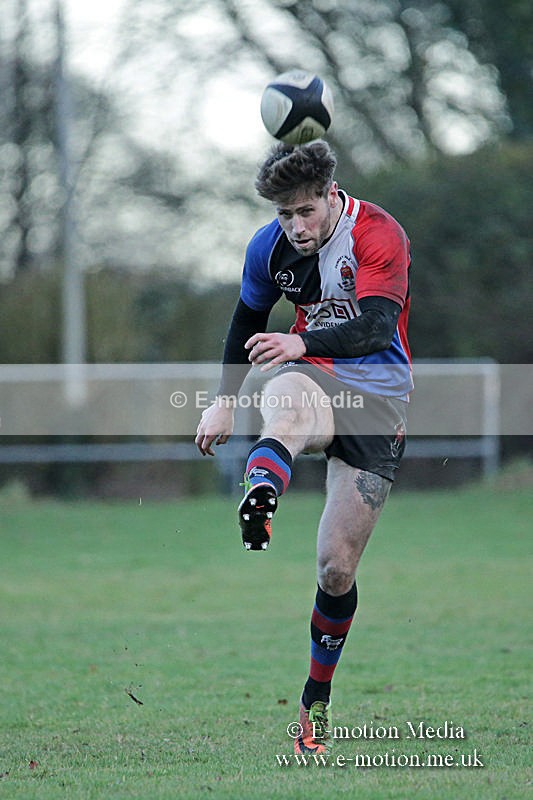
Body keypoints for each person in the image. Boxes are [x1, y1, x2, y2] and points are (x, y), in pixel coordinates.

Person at [195, 140, 412, 754]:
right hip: (311, 377)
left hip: (379, 402)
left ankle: (314, 702)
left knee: (336, 567)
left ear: (331, 197)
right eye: (285, 215)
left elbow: (374, 324)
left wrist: (297, 341)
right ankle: (261, 489)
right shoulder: (269, 247)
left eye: (306, 212)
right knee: (286, 396)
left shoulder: (378, 233)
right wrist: (224, 399)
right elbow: (246, 321)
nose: (296, 226)